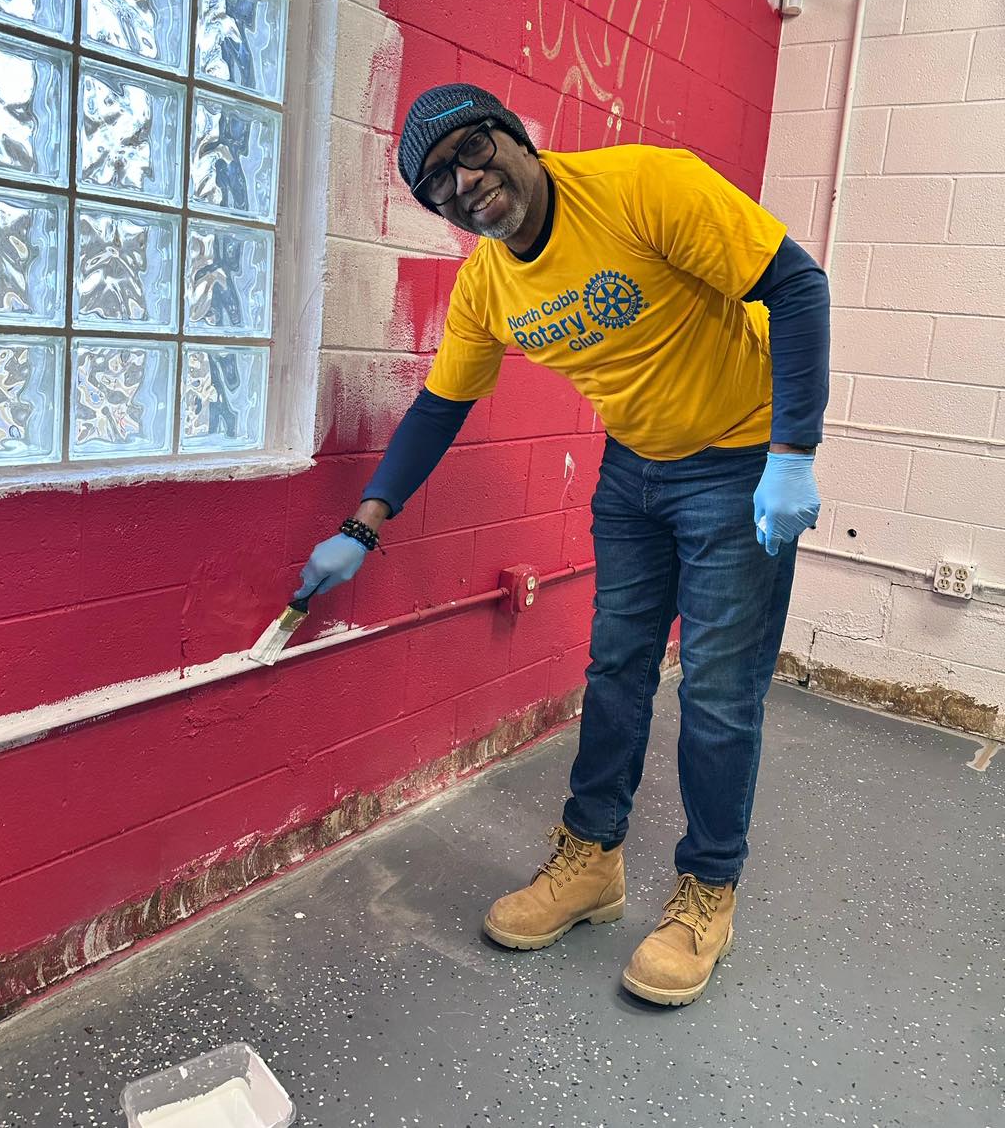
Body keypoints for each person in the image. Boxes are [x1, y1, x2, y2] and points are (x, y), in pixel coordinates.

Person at [300, 84, 829, 1006]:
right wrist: (364, 521)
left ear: (514, 136)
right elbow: (440, 406)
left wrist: (792, 455)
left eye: (471, 150)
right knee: (615, 668)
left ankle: (708, 890)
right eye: (438, 184)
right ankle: (591, 861)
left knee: (716, 689)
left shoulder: (643, 187)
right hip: (634, 471)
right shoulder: (489, 284)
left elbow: (795, 284)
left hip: (739, 457)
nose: (465, 184)